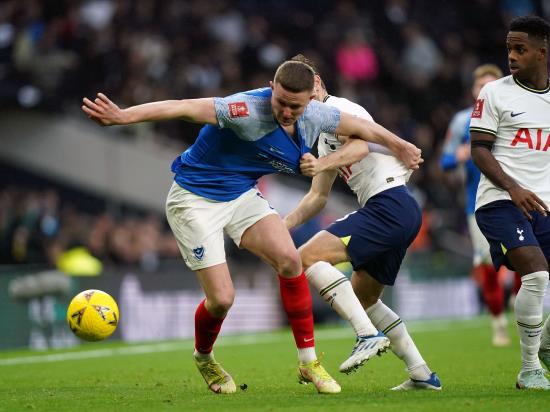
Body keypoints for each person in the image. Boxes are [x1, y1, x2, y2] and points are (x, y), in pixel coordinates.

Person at [81, 59, 423, 395]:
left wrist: (402, 146)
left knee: (291, 260)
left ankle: (309, 362)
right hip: (195, 198)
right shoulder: (243, 109)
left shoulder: (317, 114)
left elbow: (366, 130)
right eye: (281, 103)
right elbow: (183, 106)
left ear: (309, 99)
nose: (287, 112)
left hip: (241, 193)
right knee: (222, 299)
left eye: (296, 107)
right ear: (271, 88)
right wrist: (125, 116)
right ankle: (204, 356)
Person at [284, 55, 441, 391]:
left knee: (306, 258)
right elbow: (318, 197)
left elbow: (357, 148)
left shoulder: (340, 108)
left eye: (304, 89)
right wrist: (281, 227)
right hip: (397, 209)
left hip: (389, 204)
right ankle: (422, 374)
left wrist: (323, 161)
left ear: (317, 82)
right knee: (364, 298)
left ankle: (367, 335)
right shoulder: (323, 134)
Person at [470, 15, 550, 390]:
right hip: (500, 200)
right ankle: (529, 369)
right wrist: (514, 188)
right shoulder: (494, 93)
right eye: (509, 49)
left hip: (544, 204)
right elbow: (479, 150)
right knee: (535, 274)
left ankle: (546, 347)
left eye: (520, 49)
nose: (512, 56)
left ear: (542, 52)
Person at [440, 64, 512, 347]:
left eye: (491, 85)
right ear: (473, 91)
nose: (486, 91)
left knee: (528, 256)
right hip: (479, 203)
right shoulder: (462, 122)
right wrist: (460, 154)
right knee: (488, 262)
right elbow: (444, 162)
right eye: (480, 86)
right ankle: (498, 321)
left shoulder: (515, 115)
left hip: (515, 195)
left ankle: (518, 298)